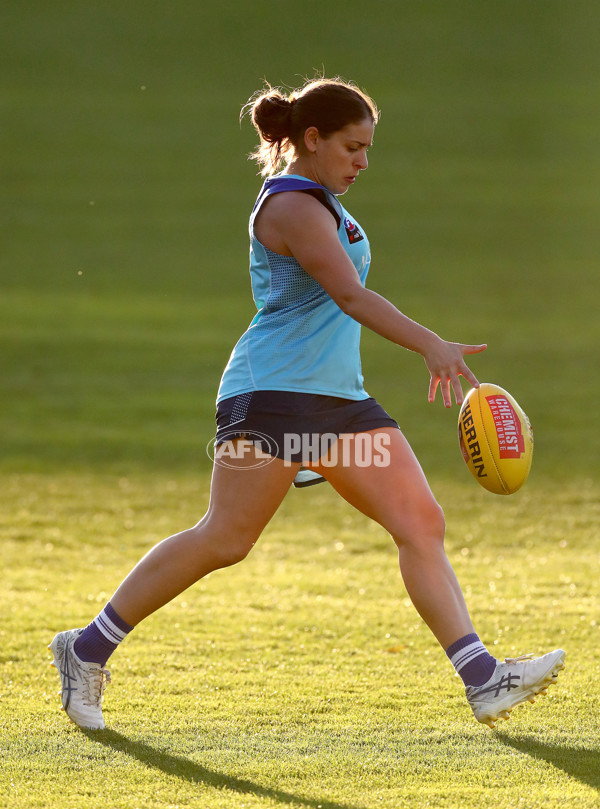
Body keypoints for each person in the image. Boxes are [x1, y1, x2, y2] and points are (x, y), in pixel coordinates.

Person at [49, 77, 565, 731]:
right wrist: (431, 345)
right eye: (352, 146)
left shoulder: (322, 201)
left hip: (338, 401)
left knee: (420, 522)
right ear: (311, 139)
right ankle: (84, 650)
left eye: (368, 148)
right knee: (225, 539)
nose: (363, 161)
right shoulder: (292, 207)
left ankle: (483, 678)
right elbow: (350, 297)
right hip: (273, 397)